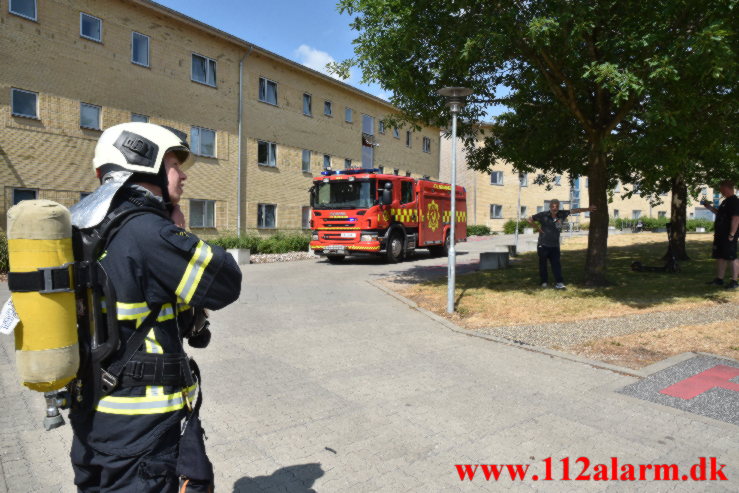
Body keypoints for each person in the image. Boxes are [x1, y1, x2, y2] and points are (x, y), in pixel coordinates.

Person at [68, 123, 242, 492]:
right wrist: (179, 230)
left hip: (92, 416)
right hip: (142, 427)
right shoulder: (149, 231)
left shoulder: (83, 225)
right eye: (176, 164)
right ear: (146, 166)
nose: (183, 176)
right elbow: (226, 283)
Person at [527, 199, 596, 289]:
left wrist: (588, 209)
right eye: (553, 206)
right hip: (543, 245)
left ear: (558, 207)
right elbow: (529, 219)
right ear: (550, 206)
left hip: (555, 245)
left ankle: (559, 282)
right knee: (543, 264)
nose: (554, 208)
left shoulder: (562, 214)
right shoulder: (543, 215)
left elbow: (576, 210)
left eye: (556, 206)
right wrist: (537, 228)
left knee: (556, 264)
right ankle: (544, 282)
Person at [702, 180, 739, 289]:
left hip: (729, 235)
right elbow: (720, 213)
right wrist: (708, 207)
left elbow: (736, 218)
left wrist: (732, 234)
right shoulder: (725, 202)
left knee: (732, 257)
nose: (721, 191)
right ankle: (719, 279)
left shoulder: (734, 201)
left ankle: (734, 281)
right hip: (720, 234)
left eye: (722, 189)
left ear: (728, 188)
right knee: (720, 256)